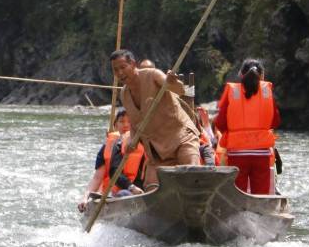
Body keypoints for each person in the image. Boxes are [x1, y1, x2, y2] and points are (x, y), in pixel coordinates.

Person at [111, 49, 201, 188]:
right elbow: (135, 124)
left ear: (133, 64)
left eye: (123, 67)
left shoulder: (153, 75)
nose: (120, 73)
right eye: (116, 70)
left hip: (181, 138)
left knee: (192, 174)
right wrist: (132, 142)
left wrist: (172, 81)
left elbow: (178, 89)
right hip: (157, 151)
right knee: (151, 188)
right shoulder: (124, 94)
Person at [214, 58, 281, 195]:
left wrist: (233, 132)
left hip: (237, 154)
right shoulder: (267, 92)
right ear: (262, 76)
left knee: (237, 195)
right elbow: (275, 122)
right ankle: (260, 214)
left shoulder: (232, 92)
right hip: (261, 154)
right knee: (261, 196)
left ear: (240, 74)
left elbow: (220, 123)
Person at [79, 108, 145, 211]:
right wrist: (85, 197)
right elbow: (97, 178)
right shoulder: (108, 147)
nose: (126, 125)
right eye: (121, 121)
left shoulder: (145, 145)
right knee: (124, 194)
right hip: (114, 194)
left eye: (129, 122)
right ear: (115, 125)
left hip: (140, 192)